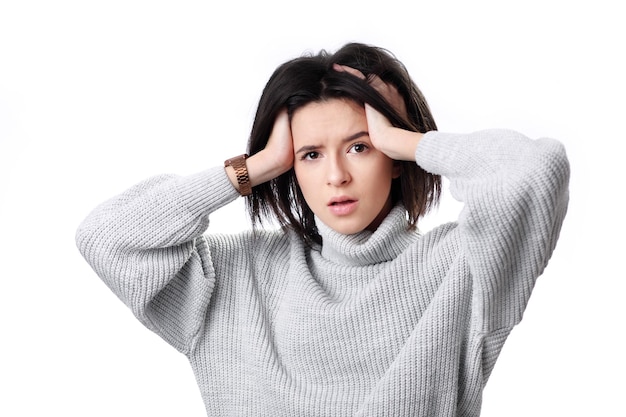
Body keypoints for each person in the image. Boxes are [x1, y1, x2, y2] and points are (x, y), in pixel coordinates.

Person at [76, 42, 570, 416]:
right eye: (310, 154)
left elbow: (534, 172)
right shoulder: (234, 279)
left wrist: (407, 138)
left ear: (393, 158)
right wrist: (254, 166)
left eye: (361, 147)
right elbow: (107, 238)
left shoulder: (461, 270)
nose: (336, 175)